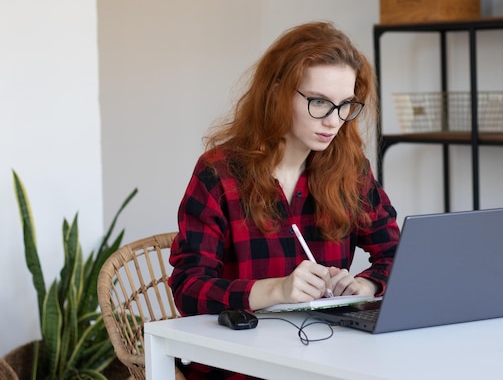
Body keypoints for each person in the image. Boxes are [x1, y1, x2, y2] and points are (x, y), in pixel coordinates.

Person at [168, 21, 400, 380]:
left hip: (328, 359)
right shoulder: (220, 173)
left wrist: (362, 287)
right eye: (319, 102)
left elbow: (398, 255)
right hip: (239, 366)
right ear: (277, 91)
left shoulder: (350, 170)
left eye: (345, 105)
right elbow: (188, 288)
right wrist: (276, 290)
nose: (334, 121)